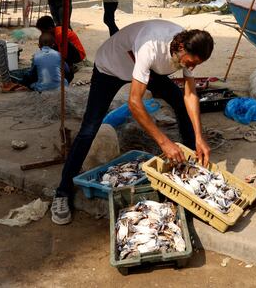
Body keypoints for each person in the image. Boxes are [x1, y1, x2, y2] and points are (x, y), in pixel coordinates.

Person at [51, 20, 214, 225]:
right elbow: (135, 103)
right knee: (89, 128)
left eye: (196, 65)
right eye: (191, 63)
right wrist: (165, 143)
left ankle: (191, 168)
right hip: (110, 68)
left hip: (147, 69)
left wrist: (199, 137)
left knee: (180, 105)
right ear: (181, 48)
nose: (191, 67)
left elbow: (190, 95)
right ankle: (62, 192)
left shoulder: (189, 45)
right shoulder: (151, 47)